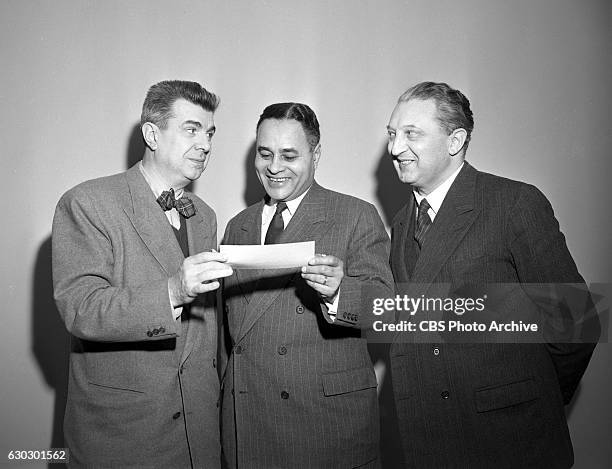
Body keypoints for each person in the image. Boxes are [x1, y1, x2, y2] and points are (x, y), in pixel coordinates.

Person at [385, 81, 599, 468]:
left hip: (510, 442)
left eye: (411, 134)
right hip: (430, 441)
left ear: (455, 141)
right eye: (392, 134)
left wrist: (533, 396)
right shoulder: (401, 223)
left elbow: (576, 323)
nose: (395, 148)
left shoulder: (514, 203)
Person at [52, 80, 232, 468]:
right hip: (123, 439)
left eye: (210, 133)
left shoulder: (204, 215)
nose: (205, 144)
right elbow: (80, 309)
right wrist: (171, 291)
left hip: (198, 439)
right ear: (152, 134)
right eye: (191, 129)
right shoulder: (87, 202)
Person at [220, 102, 394, 468]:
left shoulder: (355, 215)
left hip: (324, 425)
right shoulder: (238, 225)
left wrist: (338, 292)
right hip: (250, 418)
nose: (274, 167)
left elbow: (387, 310)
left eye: (289, 155)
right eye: (264, 153)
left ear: (316, 155)